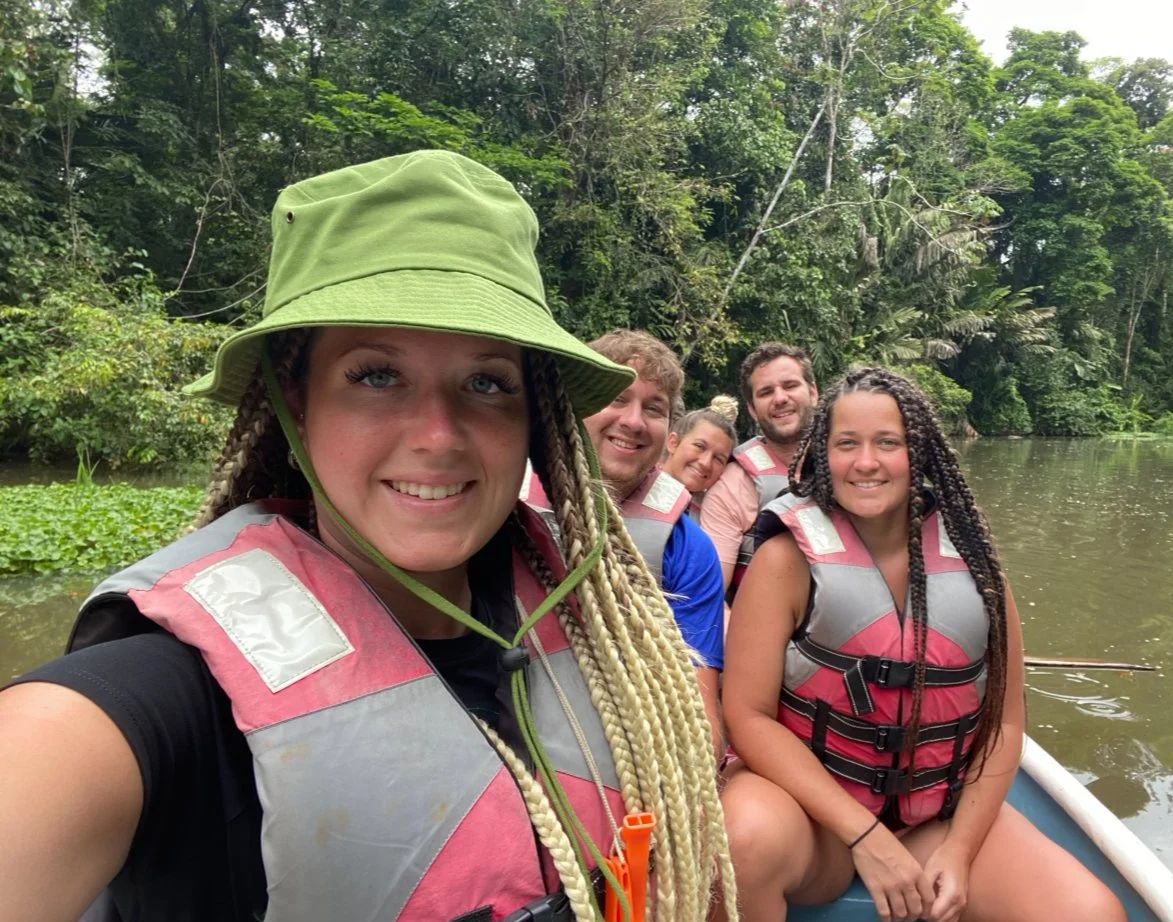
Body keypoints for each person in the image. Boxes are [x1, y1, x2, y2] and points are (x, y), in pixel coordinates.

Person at [0, 151, 733, 922]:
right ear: (296, 399)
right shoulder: (157, 697)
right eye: (377, 374)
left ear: (533, 418)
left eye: (487, 382)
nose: (439, 435)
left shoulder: (595, 618)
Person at [718, 367, 1126, 922]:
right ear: (823, 453)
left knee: (1091, 913)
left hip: (934, 817)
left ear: (922, 453)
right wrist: (863, 834)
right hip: (814, 823)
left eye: (889, 442)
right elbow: (748, 715)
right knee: (743, 839)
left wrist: (959, 849)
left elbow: (1005, 725)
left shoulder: (975, 561)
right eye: (847, 444)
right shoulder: (783, 560)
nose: (866, 462)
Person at [521, 330, 727, 758]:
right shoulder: (501, 502)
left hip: (630, 753)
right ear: (574, 404)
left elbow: (699, 705)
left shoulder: (688, 548)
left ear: (669, 430)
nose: (633, 421)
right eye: (616, 398)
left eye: (654, 408)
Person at [697, 342, 818, 596]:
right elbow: (711, 597)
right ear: (752, 409)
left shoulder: (855, 468)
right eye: (765, 392)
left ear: (813, 392)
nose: (780, 398)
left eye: (790, 385)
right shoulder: (732, 485)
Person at [659, 398, 738, 513]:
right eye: (700, 446)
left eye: (718, 459)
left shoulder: (715, 516)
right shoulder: (634, 486)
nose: (706, 463)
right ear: (673, 443)